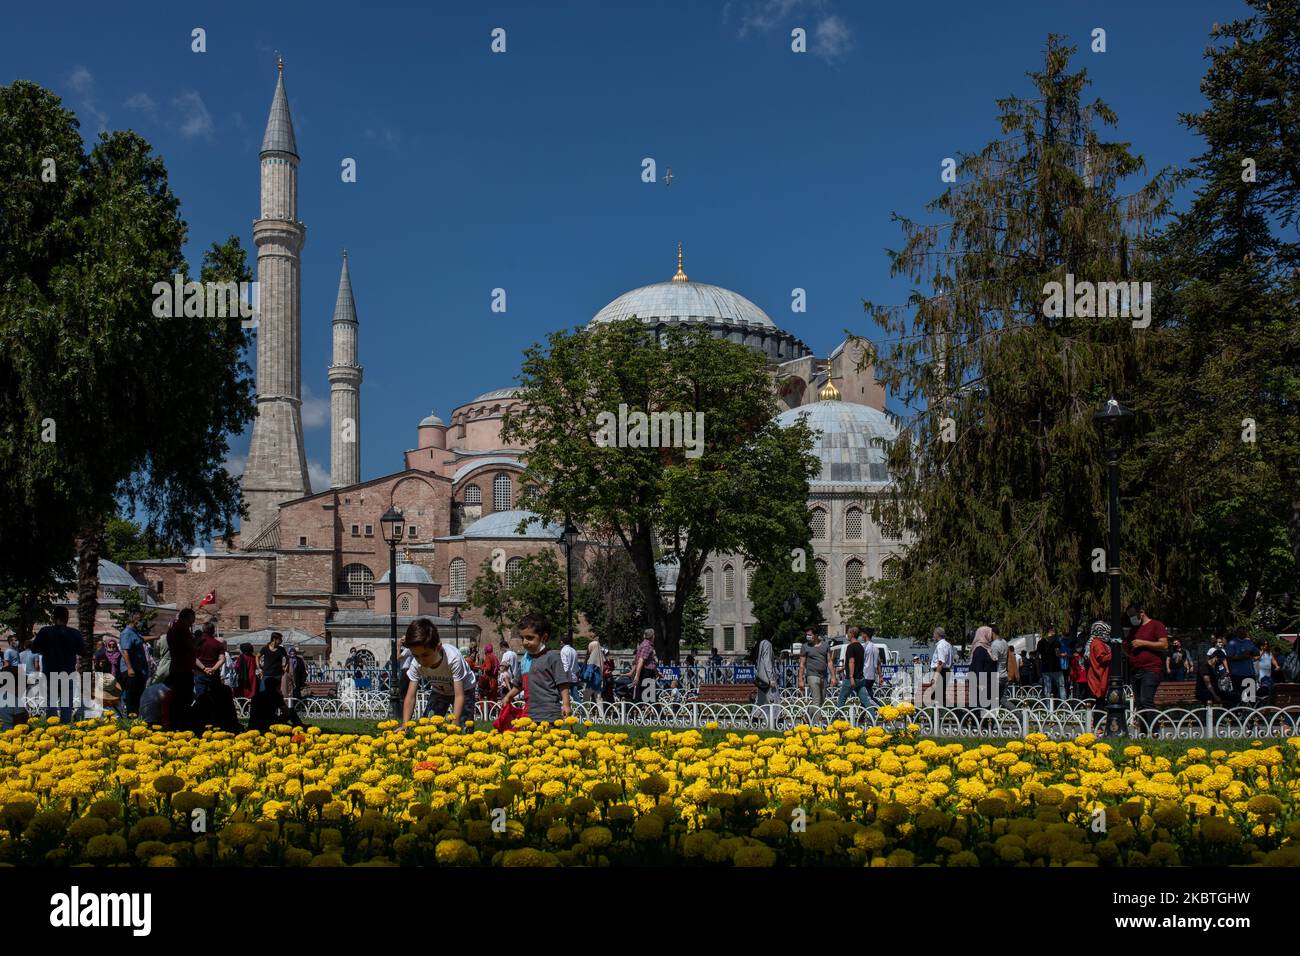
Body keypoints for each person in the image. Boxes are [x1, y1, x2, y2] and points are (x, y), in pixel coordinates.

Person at [398, 617, 476, 728]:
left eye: (425, 655)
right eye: (416, 656)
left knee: (464, 729)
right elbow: (410, 696)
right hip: (439, 691)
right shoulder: (416, 663)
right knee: (427, 727)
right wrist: (405, 724)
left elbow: (459, 696)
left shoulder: (453, 659)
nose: (421, 660)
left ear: (438, 647)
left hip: (464, 690)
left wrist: (455, 723)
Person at [516, 612, 572, 723]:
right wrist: (508, 696)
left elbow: (562, 683)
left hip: (550, 715)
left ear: (544, 637)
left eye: (529, 638)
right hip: (529, 714)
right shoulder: (525, 660)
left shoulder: (553, 657)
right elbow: (518, 684)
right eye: (522, 638)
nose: (525, 642)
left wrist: (566, 704)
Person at [33, 607, 86, 724]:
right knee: (66, 706)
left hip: (50, 673)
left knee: (51, 705)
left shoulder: (45, 631)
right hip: (67, 673)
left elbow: (34, 648)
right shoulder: (75, 633)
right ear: (67, 618)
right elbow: (83, 651)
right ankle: (65, 730)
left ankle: (52, 731)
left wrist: (46, 650)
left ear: (53, 618)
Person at [1126, 603, 1168, 712]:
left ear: (1141, 612)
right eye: (1130, 616)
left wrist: (1143, 643)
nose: (1132, 619)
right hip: (1136, 670)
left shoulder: (1156, 625)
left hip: (1151, 669)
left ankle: (1153, 728)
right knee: (1139, 703)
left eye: (1133, 615)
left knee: (1146, 700)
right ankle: (1143, 728)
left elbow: (1164, 645)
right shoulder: (1134, 630)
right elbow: (1129, 649)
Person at [163, 608, 197, 730]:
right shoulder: (182, 629)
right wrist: (197, 641)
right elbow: (191, 646)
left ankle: (175, 723)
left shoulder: (173, 629)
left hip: (177, 667)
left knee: (177, 698)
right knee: (183, 699)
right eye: (193, 617)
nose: (194, 621)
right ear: (188, 617)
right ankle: (181, 724)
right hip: (183, 669)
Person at [836, 627, 873, 710]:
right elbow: (857, 662)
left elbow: (852, 662)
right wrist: (843, 669)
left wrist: (851, 676)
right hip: (860, 678)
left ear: (852, 634)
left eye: (848, 633)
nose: (847, 635)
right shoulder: (861, 647)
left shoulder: (851, 647)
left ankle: (836, 720)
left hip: (851, 679)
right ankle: (873, 718)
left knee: (842, 699)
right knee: (865, 701)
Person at [1085, 621, 1113, 720]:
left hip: (1098, 676)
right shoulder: (1098, 643)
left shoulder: (1096, 642)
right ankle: (1098, 725)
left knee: (1099, 702)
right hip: (1098, 677)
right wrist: (1114, 654)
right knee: (1099, 703)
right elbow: (1102, 658)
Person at [193, 622, 228, 701]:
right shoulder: (218, 644)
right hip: (214, 675)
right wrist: (213, 669)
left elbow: (194, 658)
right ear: (213, 631)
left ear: (203, 630)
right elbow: (222, 659)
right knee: (215, 699)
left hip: (200, 673)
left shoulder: (197, 643)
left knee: (200, 699)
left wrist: (204, 668)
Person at [1224, 627, 1260, 701]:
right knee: (1239, 697)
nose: (1243, 633)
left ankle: (1250, 711)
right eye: (1241, 632)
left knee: (1251, 697)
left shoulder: (1249, 642)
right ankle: (1239, 711)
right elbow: (1229, 658)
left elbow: (1257, 653)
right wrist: (1242, 657)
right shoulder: (1232, 643)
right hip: (1238, 674)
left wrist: (1251, 652)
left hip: (1250, 673)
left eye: (1245, 632)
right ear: (1237, 633)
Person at [968, 626, 997, 711]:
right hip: (981, 684)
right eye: (990, 634)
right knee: (980, 707)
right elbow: (978, 667)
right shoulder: (979, 649)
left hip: (986, 682)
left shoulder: (986, 648)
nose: (991, 637)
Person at [798, 629, 829, 706]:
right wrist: (800, 680)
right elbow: (802, 664)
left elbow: (830, 661)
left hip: (824, 675)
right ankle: (816, 718)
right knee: (816, 700)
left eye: (810, 635)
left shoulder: (825, 645)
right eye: (807, 635)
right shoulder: (805, 646)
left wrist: (834, 676)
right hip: (812, 675)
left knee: (822, 701)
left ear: (815, 635)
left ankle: (807, 715)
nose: (807, 637)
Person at [631, 628, 658, 703]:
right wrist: (637, 675)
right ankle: (658, 713)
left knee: (641, 694)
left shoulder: (643, 644)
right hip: (646, 673)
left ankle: (636, 710)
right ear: (652, 636)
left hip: (645, 672)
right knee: (651, 696)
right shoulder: (647, 646)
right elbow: (641, 660)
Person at [1038, 627, 1065, 703]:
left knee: (1047, 688)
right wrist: (1063, 654)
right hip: (1056, 668)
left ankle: (1048, 706)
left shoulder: (1040, 642)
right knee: (1061, 686)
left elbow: (1038, 656)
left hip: (1045, 668)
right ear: (1052, 632)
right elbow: (1057, 654)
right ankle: (1064, 705)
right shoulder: (1056, 641)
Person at [930, 626, 954, 707]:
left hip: (941, 672)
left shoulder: (940, 646)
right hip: (946, 671)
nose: (933, 635)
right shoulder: (948, 645)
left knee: (936, 696)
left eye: (934, 633)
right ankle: (940, 714)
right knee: (940, 695)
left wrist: (935, 677)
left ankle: (937, 716)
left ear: (938, 635)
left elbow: (941, 662)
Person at [861, 627, 884, 703]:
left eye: (862, 634)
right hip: (872, 676)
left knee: (865, 697)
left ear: (865, 635)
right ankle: (863, 713)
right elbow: (878, 663)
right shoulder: (875, 647)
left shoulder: (864, 647)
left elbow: (861, 661)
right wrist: (880, 676)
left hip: (865, 675)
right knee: (867, 696)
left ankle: (881, 709)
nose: (861, 636)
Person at [559, 634, 582, 705]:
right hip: (574, 677)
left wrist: (563, 678)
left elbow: (565, 666)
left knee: (561, 696)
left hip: (566, 677)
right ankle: (582, 711)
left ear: (562, 642)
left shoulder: (563, 651)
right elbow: (576, 665)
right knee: (576, 696)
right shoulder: (573, 650)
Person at [583, 633, 606, 706]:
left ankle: (584, 714)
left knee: (586, 698)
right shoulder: (600, 657)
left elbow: (588, 673)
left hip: (591, 682)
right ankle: (601, 715)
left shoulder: (592, 659)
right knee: (598, 698)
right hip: (599, 681)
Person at [989, 625, 1008, 705]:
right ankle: (1020, 715)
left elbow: (994, 660)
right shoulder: (1004, 642)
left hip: (997, 675)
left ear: (992, 633)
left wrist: (988, 654)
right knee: (1003, 700)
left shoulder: (995, 645)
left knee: (990, 699)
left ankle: (990, 716)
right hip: (1004, 674)